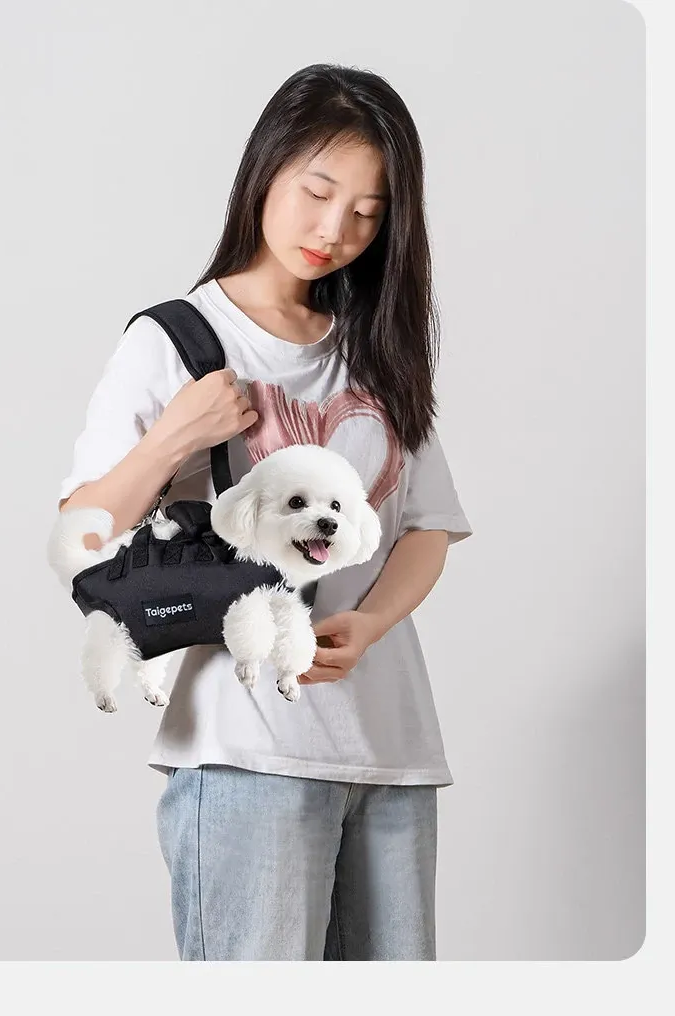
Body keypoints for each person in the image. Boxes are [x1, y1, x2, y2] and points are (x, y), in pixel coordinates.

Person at [56, 63, 472, 961]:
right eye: (318, 193)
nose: (335, 230)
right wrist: (176, 437)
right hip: (248, 753)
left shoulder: (378, 352)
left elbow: (427, 526)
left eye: (367, 212)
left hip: (392, 753)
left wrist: (369, 624)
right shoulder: (175, 339)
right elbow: (81, 534)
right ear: (266, 169)